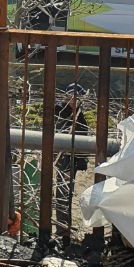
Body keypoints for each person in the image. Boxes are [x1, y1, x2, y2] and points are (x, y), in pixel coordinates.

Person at [54, 83, 90, 233]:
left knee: (68, 192)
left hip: (73, 159)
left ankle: (65, 224)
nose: (74, 100)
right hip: (63, 158)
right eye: (72, 97)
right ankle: (62, 226)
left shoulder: (79, 114)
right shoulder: (61, 112)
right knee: (63, 191)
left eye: (77, 98)